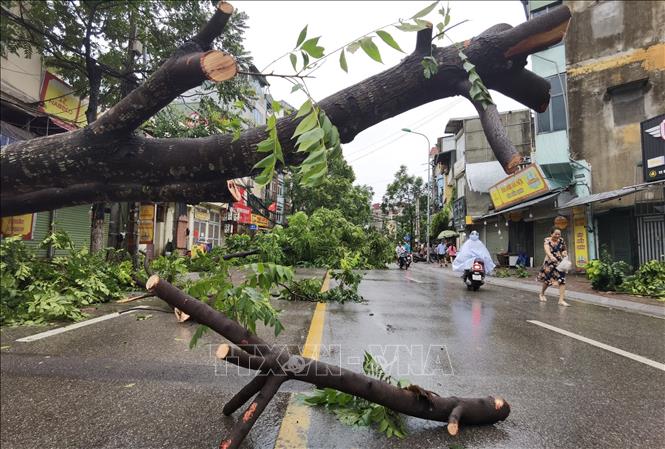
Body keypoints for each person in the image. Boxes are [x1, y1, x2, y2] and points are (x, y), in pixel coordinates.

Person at [537, 227, 570, 306]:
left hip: (559, 263)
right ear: (551, 234)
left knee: (562, 280)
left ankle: (561, 300)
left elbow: (564, 249)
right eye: (556, 234)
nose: (557, 235)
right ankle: (542, 294)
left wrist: (564, 253)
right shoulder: (547, 240)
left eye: (559, 234)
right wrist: (551, 256)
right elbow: (546, 249)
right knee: (547, 281)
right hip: (549, 263)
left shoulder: (561, 240)